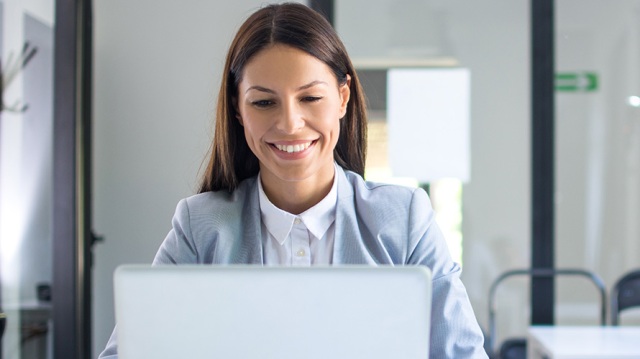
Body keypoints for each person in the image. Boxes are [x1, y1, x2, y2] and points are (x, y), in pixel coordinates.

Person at [99, 3, 488, 358]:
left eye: (310, 98)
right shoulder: (200, 229)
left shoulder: (404, 220)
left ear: (342, 97)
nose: (289, 124)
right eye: (264, 102)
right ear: (238, 110)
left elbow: (462, 353)